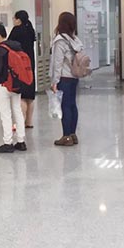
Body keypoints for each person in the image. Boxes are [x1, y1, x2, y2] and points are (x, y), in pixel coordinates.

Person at [0, 21, 26, 153]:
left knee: (6, 114)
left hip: (4, 85)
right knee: (17, 111)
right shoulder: (16, 46)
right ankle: (21, 141)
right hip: (17, 84)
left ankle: (8, 142)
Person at [50, 11, 83, 147]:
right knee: (72, 105)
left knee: (65, 107)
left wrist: (54, 81)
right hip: (74, 76)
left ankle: (66, 136)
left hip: (64, 77)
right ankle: (73, 134)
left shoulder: (60, 41)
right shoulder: (75, 40)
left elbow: (57, 63)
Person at [8, 10, 37, 128]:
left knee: (22, 95)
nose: (13, 20)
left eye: (14, 18)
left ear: (18, 20)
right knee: (30, 96)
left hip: (20, 64)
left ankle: (20, 122)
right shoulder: (30, 29)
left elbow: (9, 45)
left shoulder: (17, 30)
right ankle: (29, 121)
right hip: (30, 64)